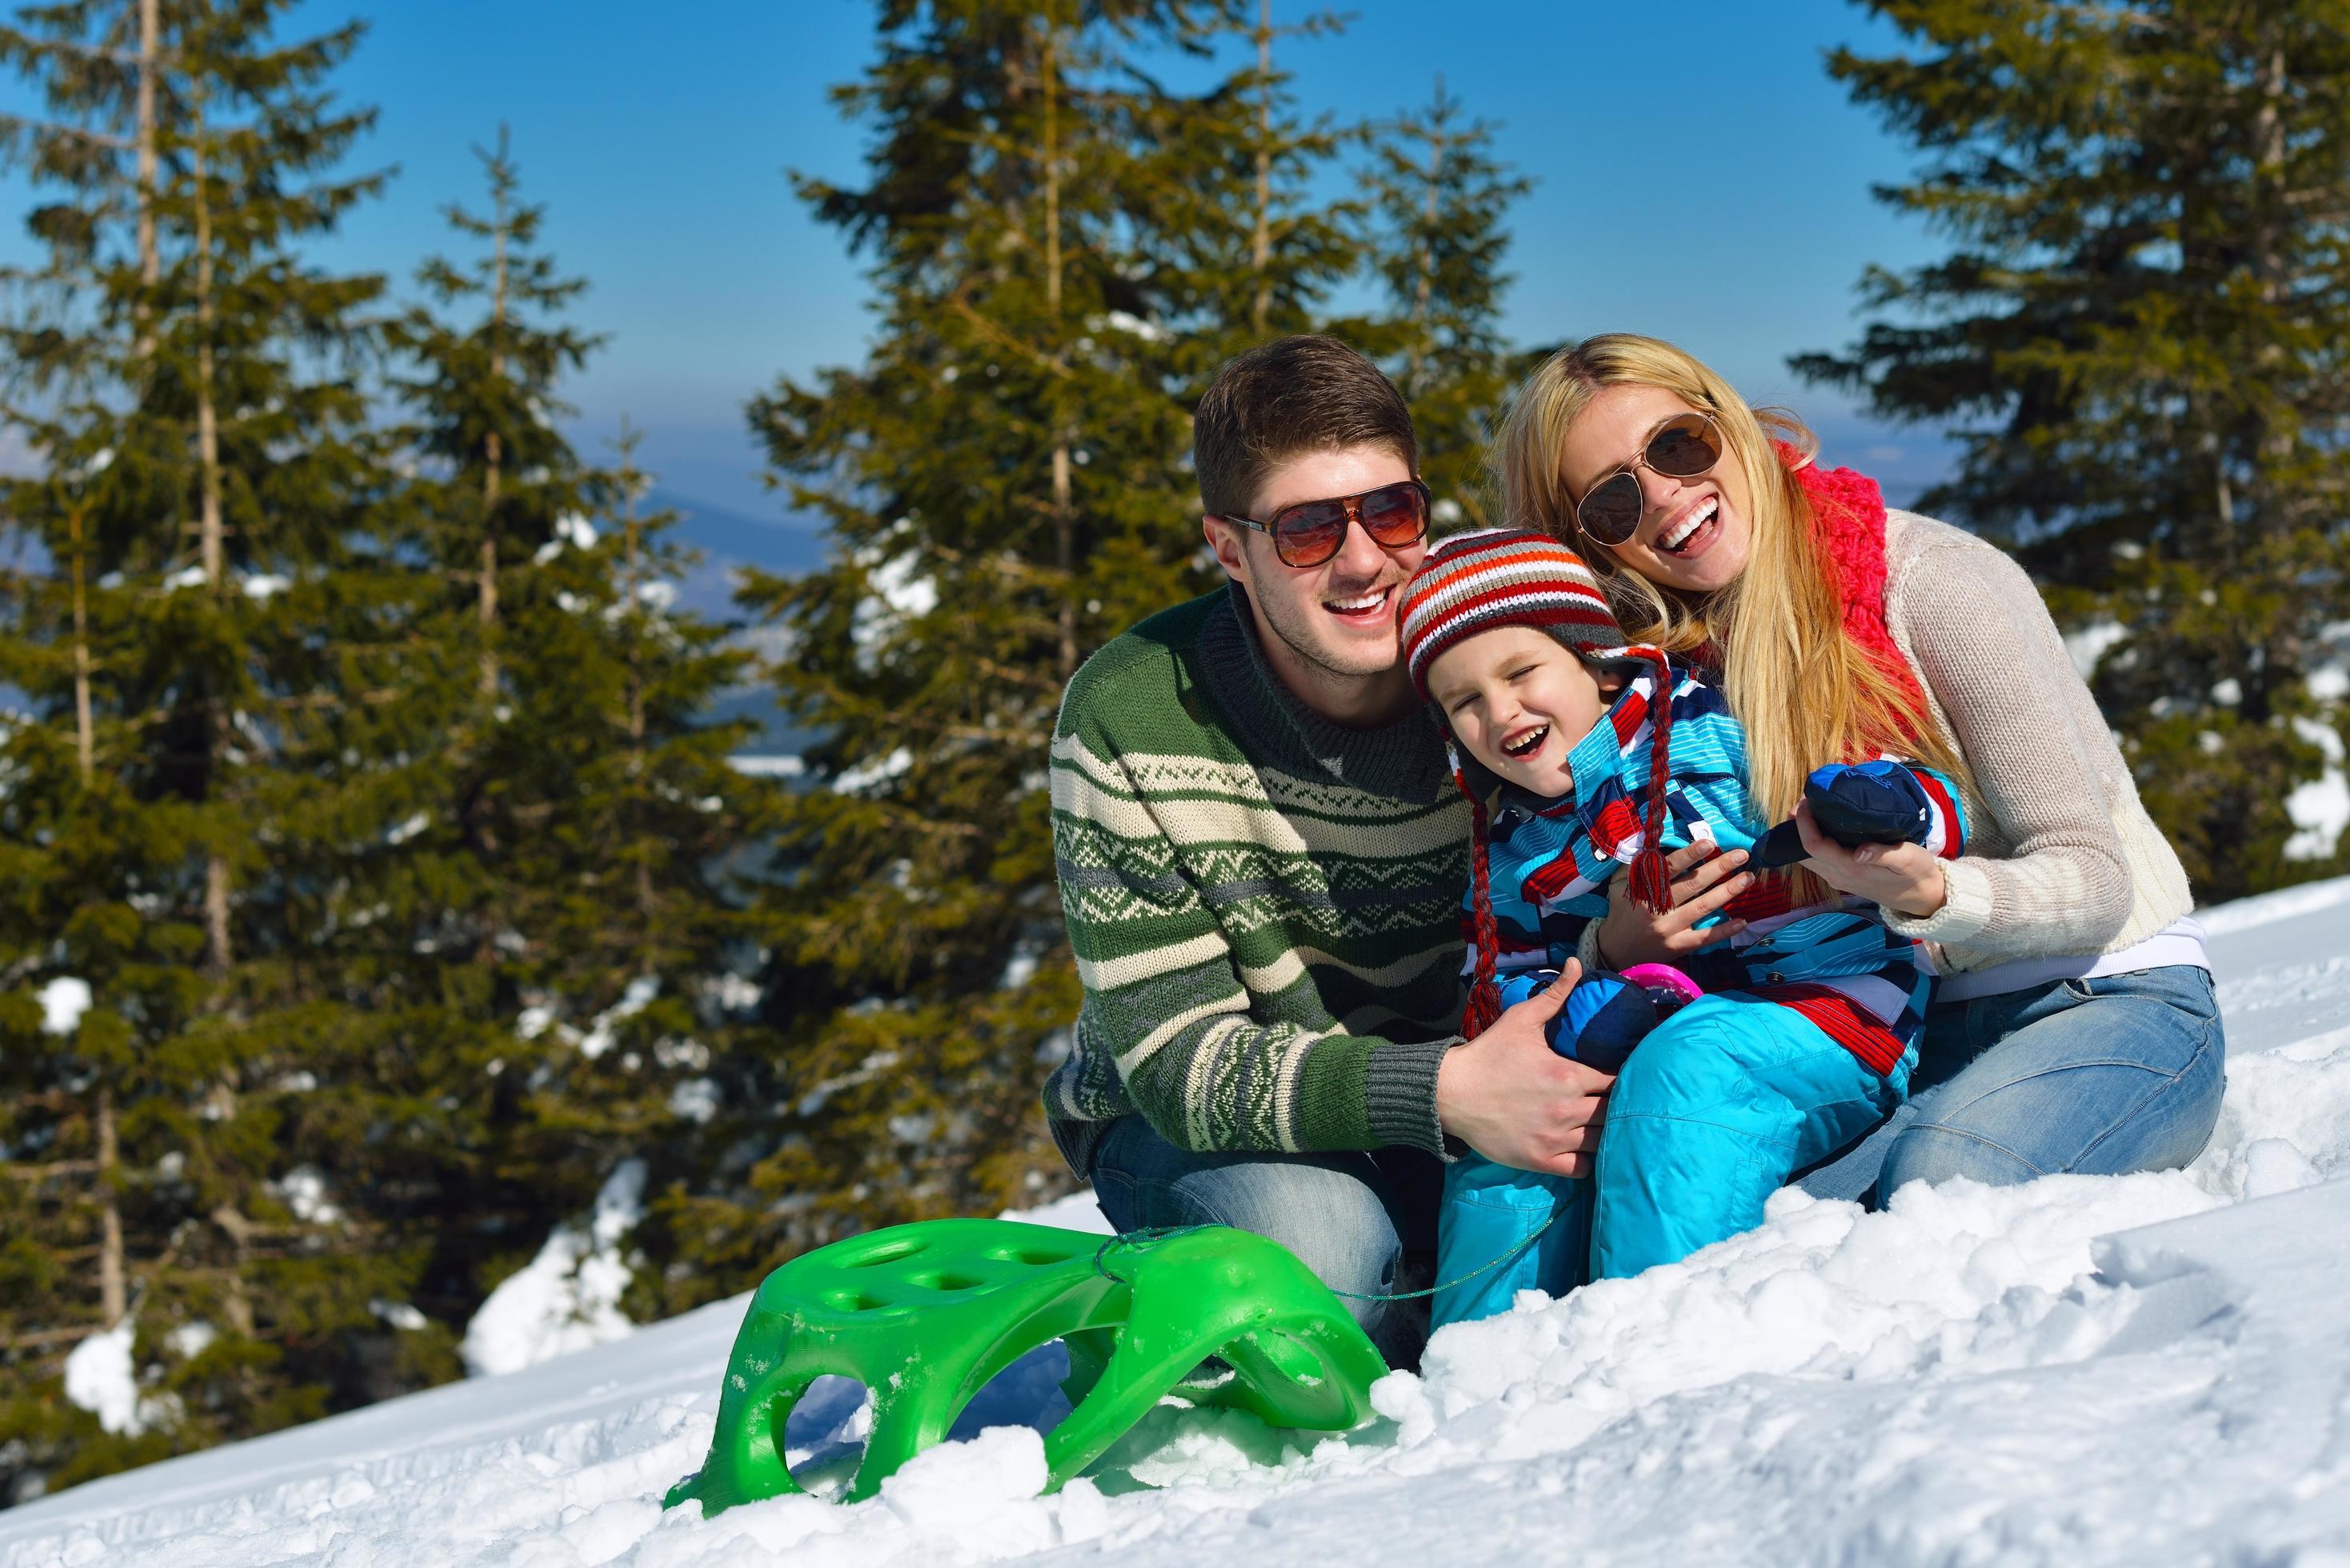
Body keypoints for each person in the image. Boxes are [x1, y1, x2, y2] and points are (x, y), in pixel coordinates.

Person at [1494, 334, 2224, 1200]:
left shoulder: (1929, 584)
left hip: (2109, 993)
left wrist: (1930, 895)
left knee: (1943, 1188)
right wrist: (1614, 944)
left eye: (1678, 446)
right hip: (1890, 1034)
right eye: (1614, 501)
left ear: (1726, 422)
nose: (1663, 498)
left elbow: (2094, 879)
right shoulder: (1659, 681)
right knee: (1742, 1221)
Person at [1042, 334, 1612, 1367]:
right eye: (1307, 531)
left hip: (1481, 1092)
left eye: (1390, 512)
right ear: (1229, 548)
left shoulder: (1498, 680)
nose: (1363, 561)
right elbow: (1174, 1061)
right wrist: (1445, 1092)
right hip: (1217, 1123)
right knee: (1325, 1258)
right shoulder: (1131, 710)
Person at [1395, 530, 1965, 1325]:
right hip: (1644, 1028)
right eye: (1464, 702)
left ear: (1592, 659)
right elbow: (1496, 990)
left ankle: (1653, 1343)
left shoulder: (1716, 730)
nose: (1501, 712)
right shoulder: (1509, 848)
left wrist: (1888, 811)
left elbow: (1929, 800)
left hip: (1831, 1012)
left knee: (1689, 1065)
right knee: (1519, 1124)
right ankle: (1479, 1373)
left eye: (1521, 672)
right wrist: (1583, 990)